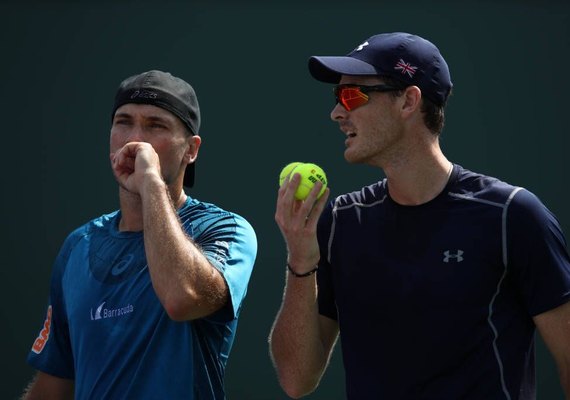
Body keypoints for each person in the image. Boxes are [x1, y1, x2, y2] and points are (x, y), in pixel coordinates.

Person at [269, 32, 570, 399]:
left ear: (408, 101)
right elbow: (296, 381)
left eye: (352, 95)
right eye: (338, 97)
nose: (337, 112)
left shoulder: (513, 215)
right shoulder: (341, 221)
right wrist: (301, 261)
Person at [22, 70, 257, 399]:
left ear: (191, 150)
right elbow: (54, 384)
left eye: (155, 125)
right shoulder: (78, 245)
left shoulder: (223, 229)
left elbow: (182, 299)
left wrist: (150, 182)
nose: (135, 139)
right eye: (123, 122)